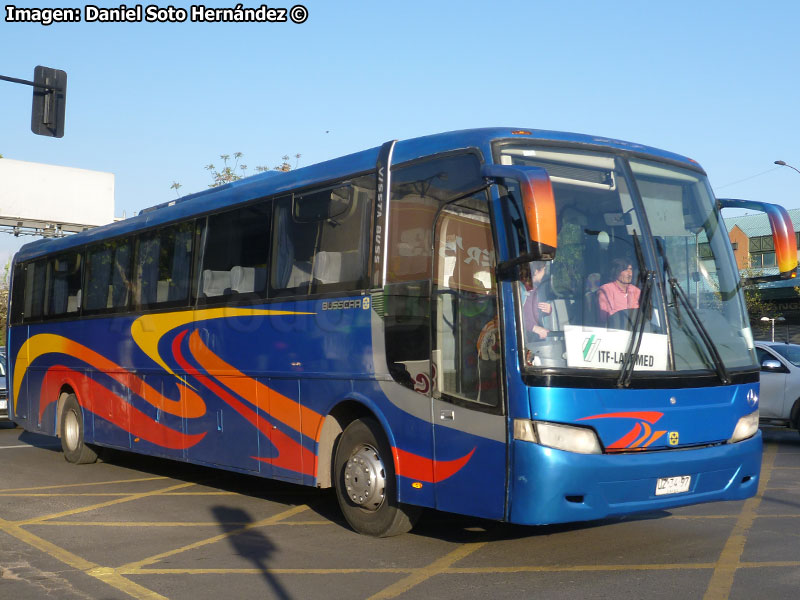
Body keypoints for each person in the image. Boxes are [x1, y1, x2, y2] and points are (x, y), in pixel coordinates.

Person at [597, 258, 641, 325]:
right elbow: (605, 317)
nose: (630, 274)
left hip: (637, 330)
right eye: (626, 270)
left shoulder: (636, 291)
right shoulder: (606, 290)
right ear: (616, 271)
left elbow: (641, 316)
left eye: (631, 270)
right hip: (616, 330)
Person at [520, 262, 552, 340]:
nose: (545, 273)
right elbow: (516, 317)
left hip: (535, 337)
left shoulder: (536, 289)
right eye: (544, 269)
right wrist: (535, 328)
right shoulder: (521, 289)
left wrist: (548, 310)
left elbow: (535, 313)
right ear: (537, 271)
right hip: (524, 339)